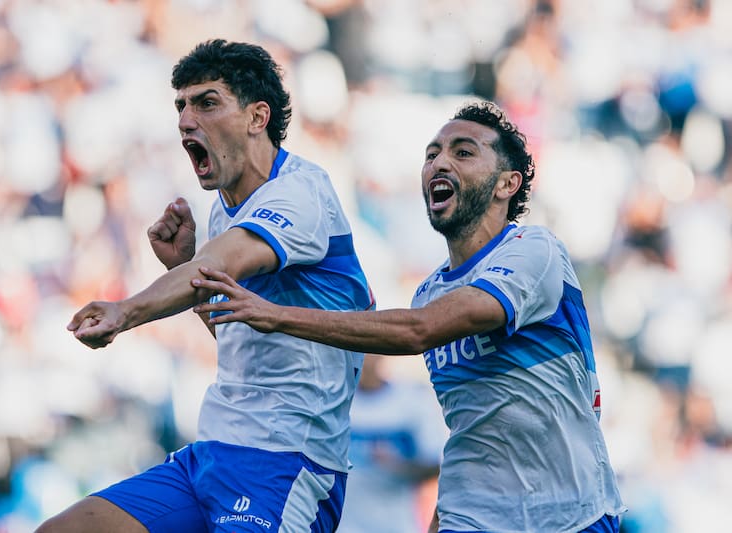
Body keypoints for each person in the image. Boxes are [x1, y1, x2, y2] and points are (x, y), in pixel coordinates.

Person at [192, 100, 627, 532]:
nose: (439, 162)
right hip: (472, 518)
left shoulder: (535, 251)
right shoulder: (430, 292)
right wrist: (194, 281)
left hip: (570, 516)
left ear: (506, 184)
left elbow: (419, 331)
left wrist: (277, 313)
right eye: (432, 154)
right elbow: (473, 429)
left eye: (463, 152)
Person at [37, 39, 373, 532]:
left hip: (284, 462)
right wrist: (190, 266)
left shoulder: (300, 193)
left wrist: (125, 311)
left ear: (259, 117)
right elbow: (241, 337)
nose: (185, 120)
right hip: (211, 454)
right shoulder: (224, 211)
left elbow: (213, 269)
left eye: (207, 102)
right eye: (181, 105)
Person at [337, 355, 446, 533]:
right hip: (342, 526)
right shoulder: (335, 403)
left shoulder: (411, 400)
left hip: (397, 525)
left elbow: (436, 466)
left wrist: (398, 465)